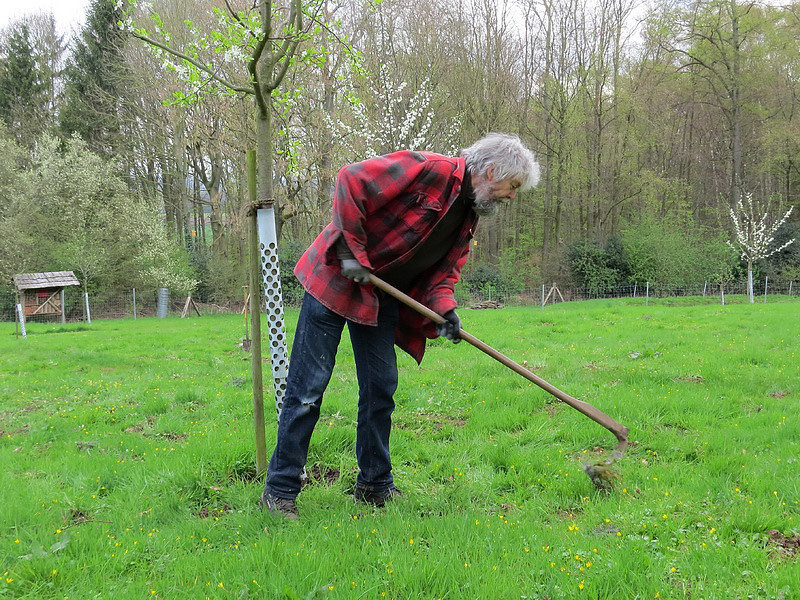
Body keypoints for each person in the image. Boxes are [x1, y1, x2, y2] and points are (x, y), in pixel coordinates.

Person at [259, 133, 540, 519]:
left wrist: (445, 311)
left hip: (381, 295)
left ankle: (374, 486)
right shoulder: (427, 169)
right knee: (307, 390)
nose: (512, 197)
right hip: (334, 280)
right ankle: (280, 490)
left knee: (380, 390)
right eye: (512, 187)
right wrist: (351, 251)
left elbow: (443, 276)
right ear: (492, 171)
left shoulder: (469, 217)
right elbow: (350, 179)